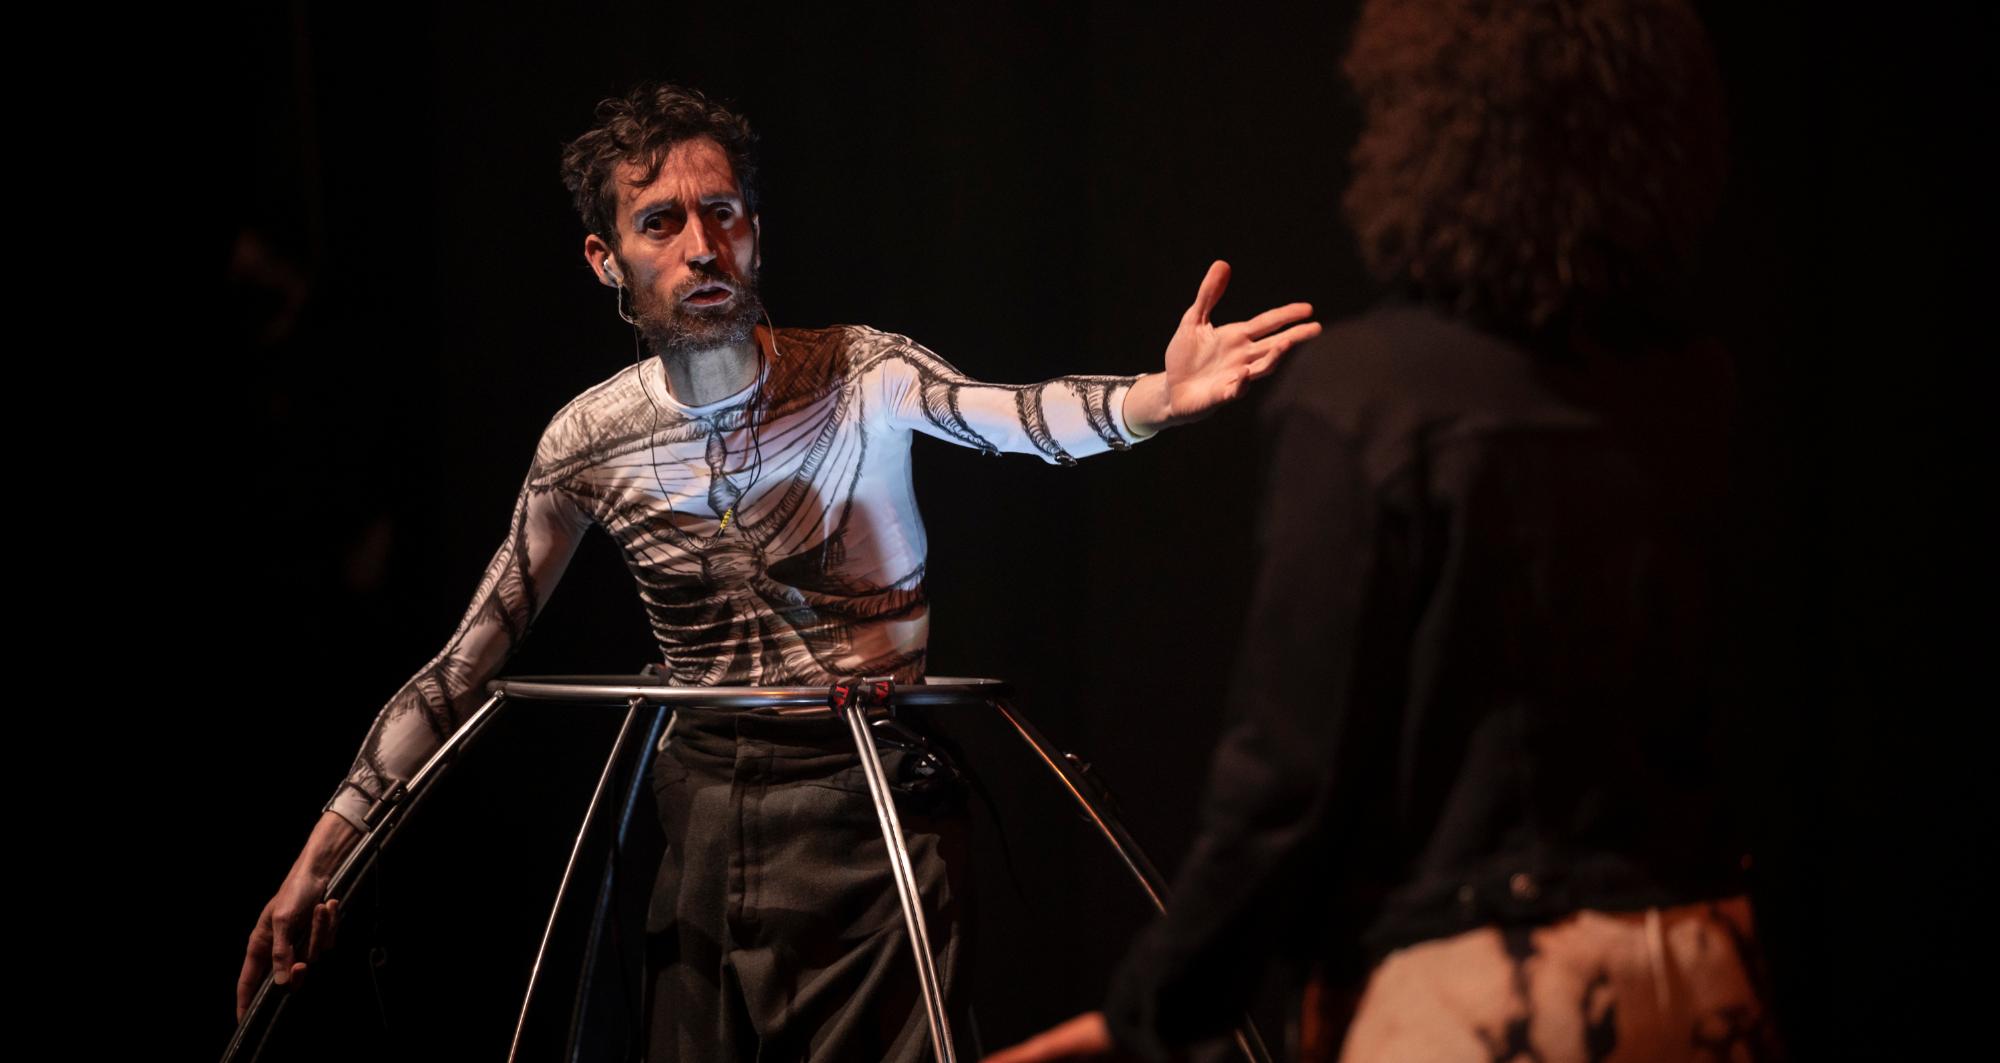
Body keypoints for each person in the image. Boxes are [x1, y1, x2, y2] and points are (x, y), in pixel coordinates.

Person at [235, 83, 1320, 1060]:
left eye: (723, 213)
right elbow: (463, 666)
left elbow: (1016, 418)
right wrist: (319, 858)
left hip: (870, 804)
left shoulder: (859, 373)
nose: (701, 247)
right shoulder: (588, 443)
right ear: (606, 260)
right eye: (661, 223)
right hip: (703, 813)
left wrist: (1155, 400)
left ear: (757, 230)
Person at [989, 1, 1782, 1060]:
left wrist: (1147, 1017)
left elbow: (1285, 786)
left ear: (1428, 131)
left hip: (1489, 995)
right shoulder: (1697, 393)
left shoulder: (1370, 401)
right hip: (1708, 974)